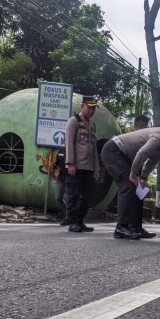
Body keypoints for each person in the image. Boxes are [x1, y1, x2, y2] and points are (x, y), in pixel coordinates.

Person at [101, 123, 160, 239]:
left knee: (139, 189)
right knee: (128, 187)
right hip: (114, 151)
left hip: (127, 157)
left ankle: (135, 227)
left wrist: (143, 177)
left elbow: (152, 160)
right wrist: (134, 174)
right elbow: (142, 153)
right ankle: (121, 228)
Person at [64, 96, 100, 233]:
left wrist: (96, 169)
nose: (91, 111)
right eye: (89, 107)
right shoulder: (73, 122)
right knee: (73, 194)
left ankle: (80, 220)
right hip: (76, 166)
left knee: (87, 195)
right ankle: (73, 221)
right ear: (82, 106)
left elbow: (94, 148)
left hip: (89, 167)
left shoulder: (91, 125)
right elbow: (69, 142)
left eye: (93, 109)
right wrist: (70, 163)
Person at [130, 114, 150, 232]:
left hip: (137, 173)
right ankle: (128, 226)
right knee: (130, 198)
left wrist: (143, 177)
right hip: (129, 172)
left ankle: (137, 227)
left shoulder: (144, 140)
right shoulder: (130, 138)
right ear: (138, 126)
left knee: (139, 198)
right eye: (144, 127)